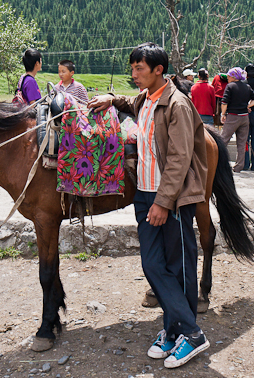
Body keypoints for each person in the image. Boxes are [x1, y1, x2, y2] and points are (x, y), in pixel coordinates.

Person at [88, 42, 210, 369]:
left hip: (170, 198)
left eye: (139, 69)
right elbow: (129, 100)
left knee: (179, 267)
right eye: (132, 69)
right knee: (153, 265)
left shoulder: (178, 105)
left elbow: (180, 159)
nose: (133, 75)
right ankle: (175, 329)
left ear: (159, 70)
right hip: (143, 193)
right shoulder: (145, 99)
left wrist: (163, 201)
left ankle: (189, 334)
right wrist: (111, 99)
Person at [219, 67, 254, 173]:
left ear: (233, 76)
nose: (227, 77)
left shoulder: (230, 86)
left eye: (228, 75)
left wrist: (223, 114)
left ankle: (218, 163)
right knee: (242, 143)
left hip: (233, 116)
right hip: (244, 117)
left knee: (223, 141)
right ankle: (238, 167)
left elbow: (224, 102)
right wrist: (248, 106)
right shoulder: (246, 86)